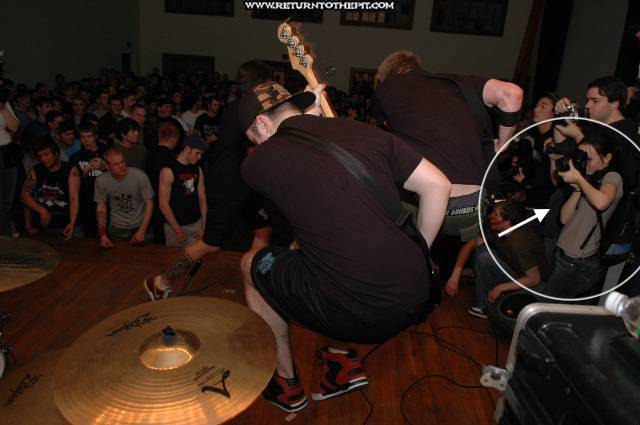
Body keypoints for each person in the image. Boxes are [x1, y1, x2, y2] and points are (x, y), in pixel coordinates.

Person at [238, 81, 451, 412]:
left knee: (251, 264)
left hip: (357, 312)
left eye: (255, 139)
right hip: (417, 293)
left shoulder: (256, 165)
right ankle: (341, 363)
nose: (257, 147)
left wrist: (304, 120)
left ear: (263, 124)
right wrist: (419, 252)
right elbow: (439, 186)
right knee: (312, 255)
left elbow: (301, 157)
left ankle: (286, 385)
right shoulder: (367, 133)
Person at [143, 60, 274, 300]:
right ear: (259, 84)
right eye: (268, 82)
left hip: (247, 183)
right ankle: (160, 281)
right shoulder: (246, 108)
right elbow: (256, 145)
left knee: (263, 231)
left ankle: (255, 284)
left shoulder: (239, 106)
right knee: (211, 243)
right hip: (231, 185)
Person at [374, 51, 523, 245]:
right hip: (472, 208)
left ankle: (414, 257)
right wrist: (502, 145)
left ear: (388, 73)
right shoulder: (457, 82)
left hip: (426, 205)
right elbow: (513, 94)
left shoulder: (386, 89)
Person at [538, 133, 623, 298]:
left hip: (578, 263)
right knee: (560, 309)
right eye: (581, 157)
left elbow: (602, 202)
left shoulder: (612, 177)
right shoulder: (588, 181)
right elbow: (564, 218)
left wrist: (579, 179)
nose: (584, 162)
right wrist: (577, 188)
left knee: (549, 308)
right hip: (564, 256)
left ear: (607, 158)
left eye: (589, 158)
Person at [94, 146, 154, 248]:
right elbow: (101, 208)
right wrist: (103, 234)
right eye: (116, 164)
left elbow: (149, 203)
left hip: (141, 224)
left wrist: (142, 230)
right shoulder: (102, 180)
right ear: (107, 166)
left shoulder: (140, 176)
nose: (121, 166)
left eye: (122, 162)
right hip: (117, 228)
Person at [157, 135, 207, 247]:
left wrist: (204, 225)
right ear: (188, 149)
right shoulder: (168, 170)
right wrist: (178, 231)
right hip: (174, 226)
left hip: (196, 224)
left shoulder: (198, 169)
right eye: (197, 153)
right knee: (175, 260)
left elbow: (202, 198)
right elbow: (163, 204)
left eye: (201, 154)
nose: (199, 157)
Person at [20, 138, 72, 235]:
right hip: (44, 226)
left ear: (56, 153)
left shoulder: (69, 170)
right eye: (40, 156)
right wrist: (41, 210)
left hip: (66, 224)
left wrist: (72, 223)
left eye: (46, 155)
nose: (43, 158)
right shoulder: (36, 171)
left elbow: (74, 199)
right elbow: (24, 196)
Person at [66, 122, 107, 238]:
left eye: (89, 136)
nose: (86, 140)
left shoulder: (107, 153)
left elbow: (121, 174)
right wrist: (82, 175)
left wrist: (104, 167)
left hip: (107, 204)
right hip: (86, 206)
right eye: (83, 137)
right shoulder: (75, 157)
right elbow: (73, 190)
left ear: (95, 136)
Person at [0, 93, 19, 236]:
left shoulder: (3, 103)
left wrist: (2, 106)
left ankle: (6, 237)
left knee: (7, 201)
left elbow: (14, 127)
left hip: (6, 153)